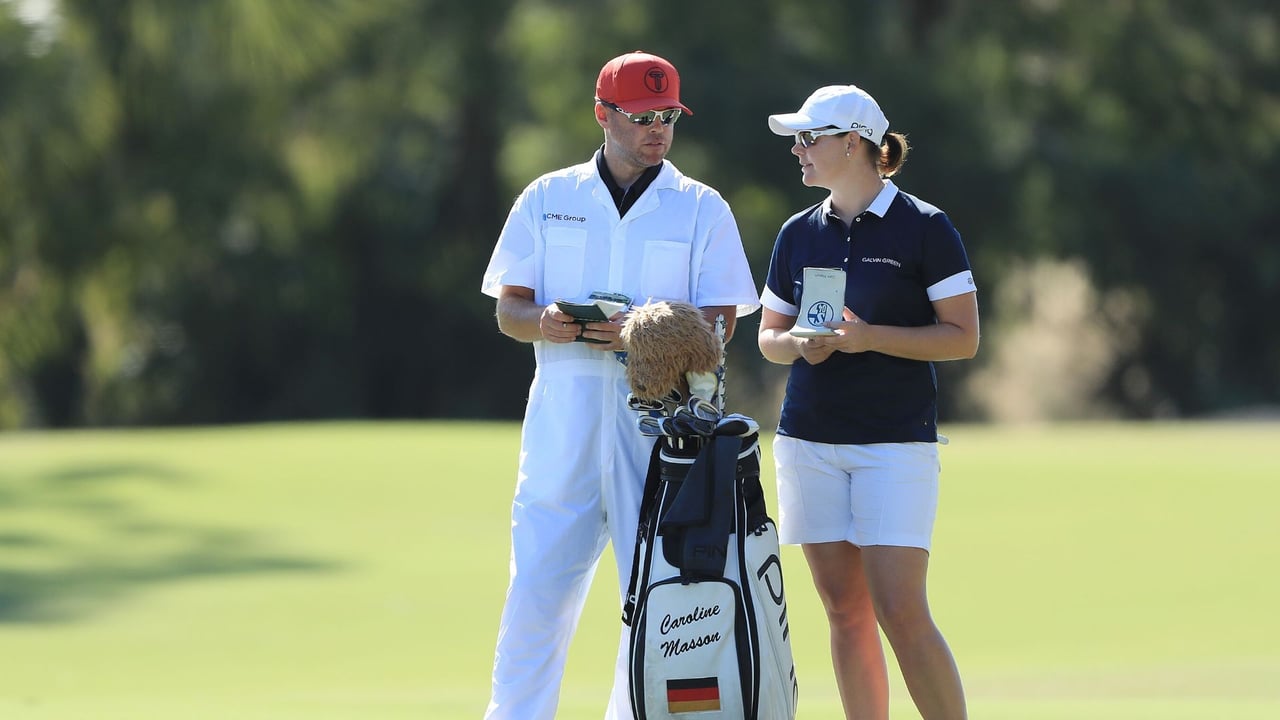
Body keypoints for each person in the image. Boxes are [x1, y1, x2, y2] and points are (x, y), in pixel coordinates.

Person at [479, 50, 759, 720]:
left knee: (658, 598)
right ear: (603, 115)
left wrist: (648, 330)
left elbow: (723, 321)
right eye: (640, 117)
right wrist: (547, 321)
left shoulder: (700, 207)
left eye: (666, 116)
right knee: (538, 595)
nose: (656, 129)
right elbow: (509, 309)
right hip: (563, 425)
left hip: (662, 430)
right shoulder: (550, 197)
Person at [757, 84, 979, 720]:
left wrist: (868, 338)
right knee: (844, 611)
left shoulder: (926, 227)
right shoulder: (798, 232)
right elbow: (769, 339)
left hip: (894, 443)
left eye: (809, 138)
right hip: (808, 439)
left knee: (900, 610)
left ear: (853, 142)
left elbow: (962, 338)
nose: (797, 150)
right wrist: (803, 346)